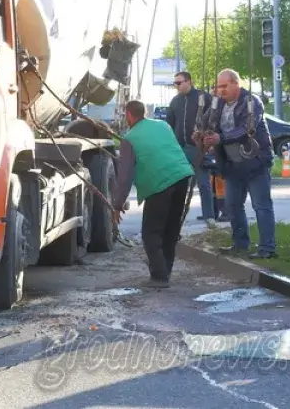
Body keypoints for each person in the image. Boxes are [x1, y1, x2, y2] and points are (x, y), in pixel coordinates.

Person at [113, 100, 195, 288]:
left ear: (128, 115)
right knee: (171, 229)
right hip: (182, 177)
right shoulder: (163, 125)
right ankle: (165, 271)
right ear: (144, 112)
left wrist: (117, 205)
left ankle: (159, 277)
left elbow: (124, 177)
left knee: (152, 232)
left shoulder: (129, 138)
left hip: (159, 184)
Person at [199, 69, 277, 259]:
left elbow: (246, 129)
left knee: (261, 206)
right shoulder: (218, 103)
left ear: (236, 84)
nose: (220, 90)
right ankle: (240, 244)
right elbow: (206, 121)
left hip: (255, 163)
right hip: (232, 164)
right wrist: (201, 133)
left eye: (224, 86)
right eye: (218, 86)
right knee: (233, 206)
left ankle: (267, 249)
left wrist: (220, 138)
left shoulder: (252, 102)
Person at [166, 71, 226, 222]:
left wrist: (211, 140)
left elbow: (216, 118)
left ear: (189, 82)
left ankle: (209, 215)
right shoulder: (175, 101)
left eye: (179, 83)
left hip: (199, 147)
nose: (176, 86)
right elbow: (169, 124)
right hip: (180, 148)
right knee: (179, 184)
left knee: (203, 183)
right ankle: (177, 217)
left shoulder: (203, 97)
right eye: (175, 84)